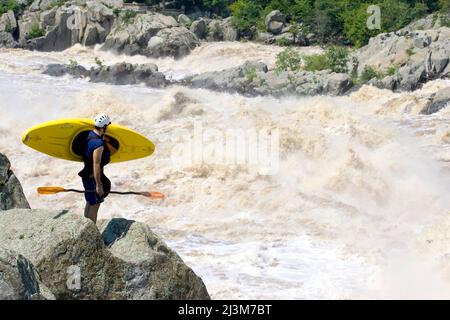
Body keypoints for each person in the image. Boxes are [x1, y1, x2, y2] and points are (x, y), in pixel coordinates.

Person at [78, 113, 112, 223]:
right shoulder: (98, 144)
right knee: (95, 205)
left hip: (86, 175)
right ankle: (91, 232)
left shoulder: (89, 135)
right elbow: (96, 165)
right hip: (93, 178)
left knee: (90, 202)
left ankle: (86, 228)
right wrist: (98, 185)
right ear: (104, 127)